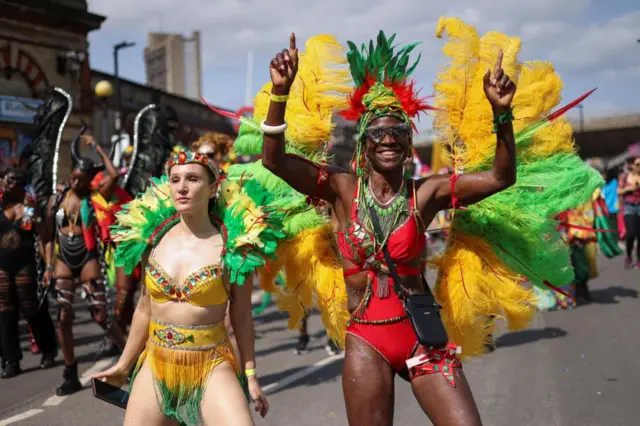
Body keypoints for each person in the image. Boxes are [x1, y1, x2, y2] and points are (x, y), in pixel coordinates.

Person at [258, 21, 600, 425]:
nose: (388, 139)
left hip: (421, 333)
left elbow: (499, 178)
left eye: (398, 132)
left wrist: (501, 114)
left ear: (407, 145)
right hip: (366, 338)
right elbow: (274, 160)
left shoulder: (427, 193)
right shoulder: (341, 188)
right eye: (379, 133)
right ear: (364, 143)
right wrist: (280, 92)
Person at [94, 151, 274, 425]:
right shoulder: (153, 239)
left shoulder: (234, 247)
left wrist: (250, 375)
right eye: (175, 179)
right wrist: (123, 364)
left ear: (213, 188)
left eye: (193, 179)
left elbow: (241, 315)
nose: (182, 187)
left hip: (211, 362)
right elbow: (144, 309)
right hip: (157, 360)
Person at [0, 168, 57, 378]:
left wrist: (49, 267)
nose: (6, 184)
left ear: (21, 185)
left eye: (11, 181)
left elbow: (42, 238)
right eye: (6, 181)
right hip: (2, 266)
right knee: (5, 311)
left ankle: (48, 348)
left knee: (31, 308)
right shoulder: (0, 206)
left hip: (25, 264)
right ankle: (10, 359)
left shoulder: (28, 209)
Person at [618, 155, 640, 269]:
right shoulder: (625, 177)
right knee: (631, 233)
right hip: (629, 207)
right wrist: (629, 189)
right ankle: (629, 255)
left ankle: (639, 259)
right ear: (632, 165)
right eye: (637, 164)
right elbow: (619, 191)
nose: (639, 167)